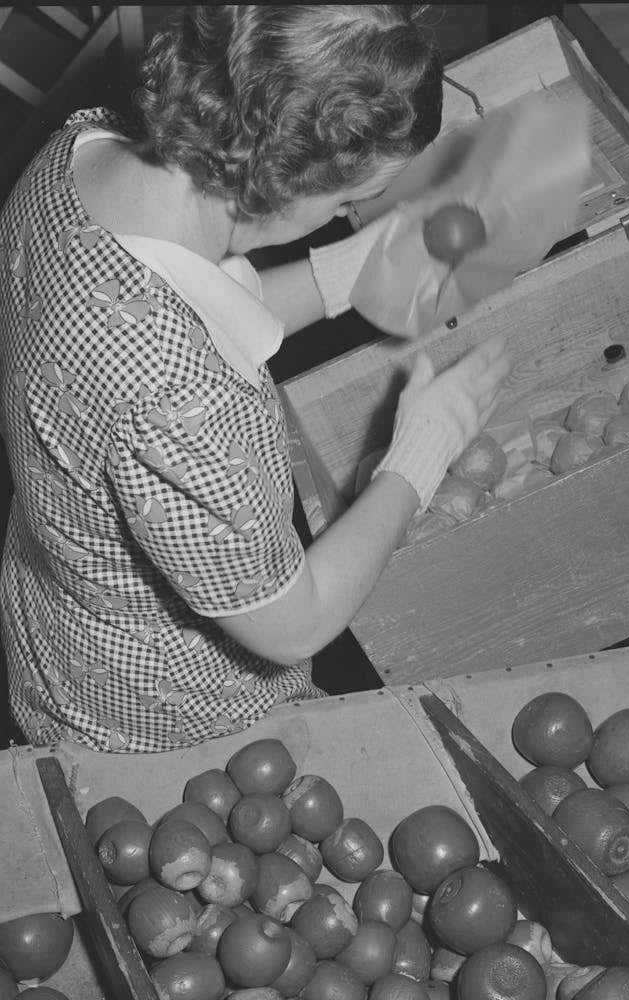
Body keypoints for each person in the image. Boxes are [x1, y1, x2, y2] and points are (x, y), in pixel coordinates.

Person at [0, 5, 510, 752]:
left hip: (59, 629)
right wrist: (420, 454)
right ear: (273, 179)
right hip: (163, 715)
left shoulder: (79, 155)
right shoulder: (177, 395)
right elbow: (295, 622)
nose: (345, 217)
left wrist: (348, 272)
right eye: (344, 204)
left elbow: (175, 305)